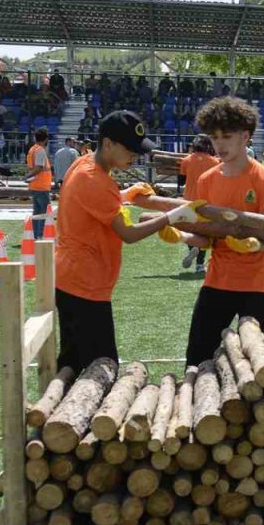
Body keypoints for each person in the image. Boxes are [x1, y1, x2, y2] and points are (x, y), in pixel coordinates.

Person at [54, 112, 193, 373]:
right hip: (84, 283)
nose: (135, 156)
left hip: (74, 278)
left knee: (73, 363)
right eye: (130, 149)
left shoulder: (86, 165)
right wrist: (171, 217)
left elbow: (93, 202)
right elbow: (128, 234)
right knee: (101, 368)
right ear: (108, 144)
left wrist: (124, 194)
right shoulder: (96, 180)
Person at [184, 97, 264, 368]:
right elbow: (206, 237)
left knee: (257, 360)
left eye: (227, 136)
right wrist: (182, 237)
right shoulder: (207, 180)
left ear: (245, 137)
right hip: (219, 280)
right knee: (197, 355)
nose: (220, 144)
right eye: (214, 137)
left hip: (257, 282)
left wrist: (253, 245)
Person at [178, 135, 220, 274]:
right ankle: (200, 265)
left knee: (189, 230)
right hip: (207, 202)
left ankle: (193, 248)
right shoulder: (215, 162)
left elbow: (181, 181)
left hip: (189, 200)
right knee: (204, 232)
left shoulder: (186, 160)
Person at [25, 127, 52, 239]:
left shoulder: (32, 149)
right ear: (45, 139)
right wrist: (27, 176)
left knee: (37, 212)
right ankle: (41, 235)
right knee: (45, 212)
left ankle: (36, 235)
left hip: (35, 185)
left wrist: (28, 176)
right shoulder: (40, 150)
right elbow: (39, 168)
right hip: (42, 186)